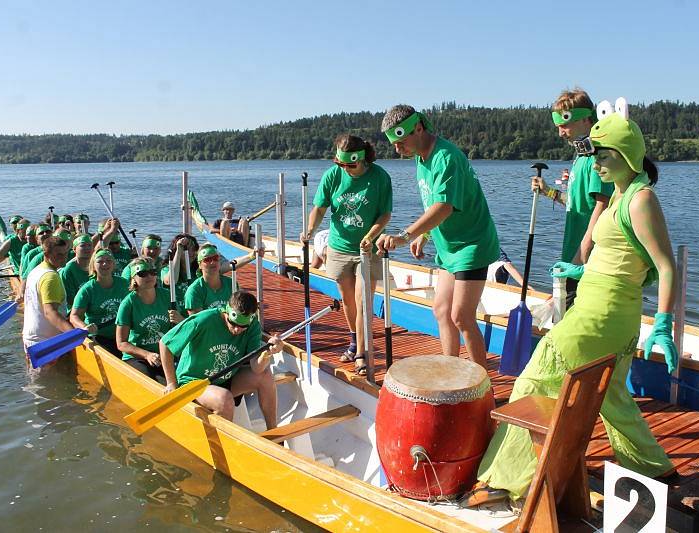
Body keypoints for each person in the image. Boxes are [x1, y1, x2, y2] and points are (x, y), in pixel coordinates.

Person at [473, 112, 678, 504]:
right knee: (610, 393)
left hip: (601, 314)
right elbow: (623, 253)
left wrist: (664, 324)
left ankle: (508, 479)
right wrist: (582, 268)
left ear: (626, 153)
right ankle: (654, 469)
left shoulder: (640, 199)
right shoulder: (621, 190)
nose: (595, 163)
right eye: (594, 155)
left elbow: (667, 266)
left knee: (534, 381)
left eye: (602, 155)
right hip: (605, 306)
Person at [376, 105, 499, 370]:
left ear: (418, 128)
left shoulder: (446, 157)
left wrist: (406, 235)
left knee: (462, 317)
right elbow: (435, 202)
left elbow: (444, 206)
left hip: (472, 243)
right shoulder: (421, 158)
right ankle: (451, 372)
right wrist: (426, 234)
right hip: (448, 246)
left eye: (401, 142)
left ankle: (482, 387)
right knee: (441, 310)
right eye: (394, 144)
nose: (397, 150)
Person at [303, 134, 393, 375]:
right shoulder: (332, 176)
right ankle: (354, 340)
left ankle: (362, 353)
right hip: (339, 247)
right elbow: (320, 207)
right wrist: (310, 229)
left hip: (367, 249)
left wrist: (371, 236)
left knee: (364, 300)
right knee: (348, 300)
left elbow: (385, 214)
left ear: (363, 159)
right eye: (341, 164)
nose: (346, 169)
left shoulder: (380, 177)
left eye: (351, 165)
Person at [532, 89, 614, 308]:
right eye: (558, 126)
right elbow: (576, 201)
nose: (560, 133)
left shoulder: (598, 156)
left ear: (586, 119)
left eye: (565, 125)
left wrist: (584, 247)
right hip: (572, 256)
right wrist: (548, 191)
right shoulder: (580, 157)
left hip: (588, 260)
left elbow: (603, 203)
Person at [160, 291, 283, 427]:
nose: (237, 330)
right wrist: (171, 383)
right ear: (227, 312)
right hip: (193, 382)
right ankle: (222, 445)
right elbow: (165, 343)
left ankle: (274, 434)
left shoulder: (253, 326)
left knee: (265, 376)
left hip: (226, 378)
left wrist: (268, 353)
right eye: (233, 323)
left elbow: (257, 368)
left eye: (243, 327)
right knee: (224, 399)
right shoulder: (203, 320)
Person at [116, 258, 180, 379]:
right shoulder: (128, 304)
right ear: (133, 278)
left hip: (165, 354)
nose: (149, 276)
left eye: (153, 272)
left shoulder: (168, 296)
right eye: (143, 274)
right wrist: (147, 355)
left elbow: (181, 331)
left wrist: (181, 320)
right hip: (138, 358)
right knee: (154, 380)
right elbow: (121, 344)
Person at [69, 249, 129, 356]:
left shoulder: (124, 283)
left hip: (123, 335)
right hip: (100, 337)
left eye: (108, 261)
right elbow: (74, 316)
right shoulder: (87, 289)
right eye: (100, 261)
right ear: (93, 266)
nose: (105, 264)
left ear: (114, 264)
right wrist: (84, 326)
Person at [21, 236, 73, 353]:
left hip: (31, 338)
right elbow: (50, 312)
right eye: (59, 255)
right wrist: (73, 333)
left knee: (34, 372)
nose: (64, 257)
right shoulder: (50, 277)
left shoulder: (36, 270)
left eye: (65, 253)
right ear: (46, 254)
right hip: (45, 342)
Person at [184, 244, 233, 315]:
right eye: (207, 260)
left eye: (215, 258)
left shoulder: (231, 283)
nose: (212, 262)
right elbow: (198, 323)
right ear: (200, 265)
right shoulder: (194, 291)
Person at [162, 234, 199, 313]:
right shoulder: (166, 270)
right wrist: (179, 251)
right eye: (187, 249)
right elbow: (172, 281)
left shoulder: (198, 270)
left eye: (194, 249)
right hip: (176, 316)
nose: (192, 253)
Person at [59, 234, 94, 310]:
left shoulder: (96, 267)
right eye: (83, 245)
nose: (87, 248)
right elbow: (70, 301)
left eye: (89, 245)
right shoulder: (67, 271)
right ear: (74, 249)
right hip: (74, 311)